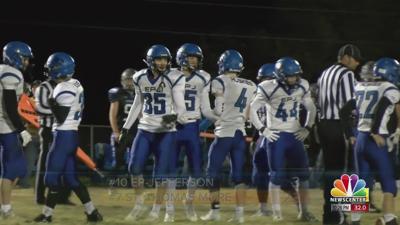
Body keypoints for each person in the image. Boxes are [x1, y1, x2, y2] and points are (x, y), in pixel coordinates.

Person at [120, 44, 187, 222]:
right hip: (145, 128)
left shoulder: (175, 77)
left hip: (166, 131)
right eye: (159, 59)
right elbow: (138, 103)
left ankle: (157, 209)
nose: (163, 62)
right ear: (150, 60)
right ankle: (139, 204)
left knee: (161, 174)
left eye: (165, 59)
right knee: (134, 167)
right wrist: (126, 128)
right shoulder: (139, 77)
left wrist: (173, 117)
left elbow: (181, 107)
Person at [34, 52, 102, 222]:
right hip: (72, 135)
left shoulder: (63, 87)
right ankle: (92, 213)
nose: (49, 71)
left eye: (51, 68)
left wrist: (51, 103)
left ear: (58, 68)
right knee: (71, 179)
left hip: (63, 136)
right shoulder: (76, 84)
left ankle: (47, 216)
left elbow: (61, 116)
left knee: (50, 178)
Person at [249, 57, 317, 222]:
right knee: (276, 176)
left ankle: (304, 211)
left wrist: (307, 127)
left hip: (294, 135)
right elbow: (252, 108)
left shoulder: (302, 85)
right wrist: (263, 130)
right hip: (277, 135)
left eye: (296, 75)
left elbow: (311, 107)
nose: (294, 79)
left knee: (304, 175)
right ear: (280, 75)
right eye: (290, 76)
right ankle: (277, 214)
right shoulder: (268, 87)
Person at [200, 49, 256, 224]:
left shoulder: (220, 81)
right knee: (238, 176)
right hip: (240, 134)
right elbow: (248, 113)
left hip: (224, 133)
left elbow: (218, 109)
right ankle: (239, 216)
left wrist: (213, 119)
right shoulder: (250, 84)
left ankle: (215, 211)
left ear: (223, 64)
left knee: (211, 172)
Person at [165, 43, 219, 222]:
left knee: (195, 171)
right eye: (191, 57)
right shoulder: (170, 75)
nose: (194, 61)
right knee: (171, 170)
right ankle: (169, 210)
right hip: (173, 127)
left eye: (196, 57)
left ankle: (189, 205)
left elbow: (206, 108)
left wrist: (219, 117)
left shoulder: (203, 77)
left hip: (192, 127)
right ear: (182, 58)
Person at [342, 58, 399, 225]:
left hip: (360, 138)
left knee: (361, 182)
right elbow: (381, 107)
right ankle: (389, 219)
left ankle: (354, 220)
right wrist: (375, 132)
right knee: (388, 183)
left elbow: (344, 110)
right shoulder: (390, 88)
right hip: (376, 139)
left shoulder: (360, 86)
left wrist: (349, 134)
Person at [317, 44, 361, 225]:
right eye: (356, 60)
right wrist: (351, 131)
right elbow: (351, 106)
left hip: (324, 125)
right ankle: (346, 216)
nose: (357, 65)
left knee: (331, 172)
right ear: (347, 57)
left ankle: (330, 216)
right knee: (349, 173)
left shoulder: (325, 73)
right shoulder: (347, 74)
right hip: (340, 126)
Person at [0, 41, 33, 218]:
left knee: (10, 169)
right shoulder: (11, 73)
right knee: (14, 169)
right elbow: (10, 106)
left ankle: (5, 208)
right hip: (5, 127)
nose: (26, 62)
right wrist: (21, 129)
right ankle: (5, 209)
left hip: (5, 124)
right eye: (24, 58)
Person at [34, 75, 73, 205]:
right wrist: (59, 111)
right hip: (48, 129)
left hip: (64, 130)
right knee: (45, 162)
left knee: (66, 163)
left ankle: (63, 197)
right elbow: (39, 108)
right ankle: (40, 196)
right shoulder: (44, 87)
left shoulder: (69, 86)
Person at [108, 68, 137, 171]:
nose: (129, 83)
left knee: (134, 162)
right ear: (122, 81)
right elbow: (112, 115)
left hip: (135, 132)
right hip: (121, 131)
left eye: (131, 80)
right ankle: (113, 185)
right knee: (117, 162)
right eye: (127, 80)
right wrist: (116, 132)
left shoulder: (140, 95)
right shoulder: (118, 93)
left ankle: (130, 184)